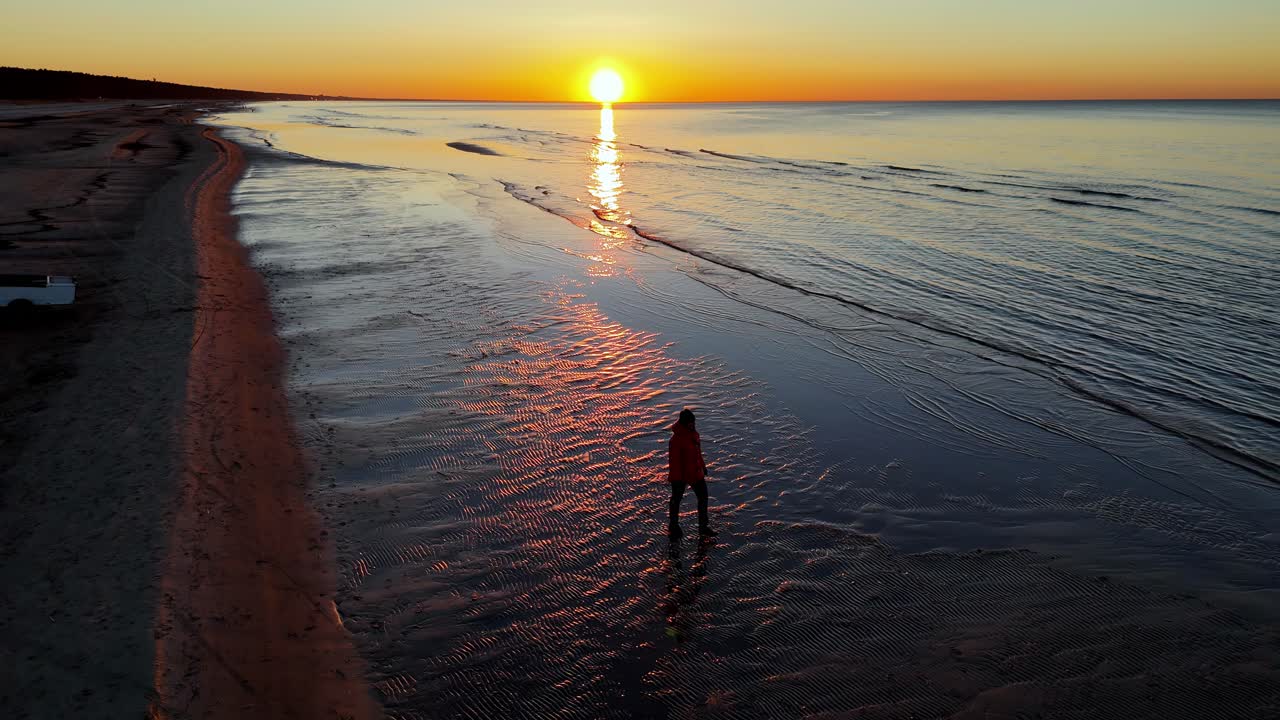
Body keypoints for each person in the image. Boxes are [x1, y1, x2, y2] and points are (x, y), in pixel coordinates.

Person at [668, 409, 716, 538]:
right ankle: (673, 526)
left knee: (703, 498)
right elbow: (675, 462)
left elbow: (697, 454)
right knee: (676, 500)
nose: (693, 425)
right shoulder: (676, 440)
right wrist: (677, 479)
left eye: (693, 422)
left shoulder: (693, 434)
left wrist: (703, 467)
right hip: (681, 476)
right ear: (684, 423)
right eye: (691, 422)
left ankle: (703, 527)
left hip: (695, 472)